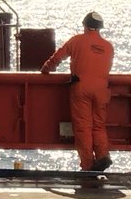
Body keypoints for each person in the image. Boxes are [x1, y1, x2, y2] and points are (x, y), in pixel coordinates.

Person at [41, 11, 114, 172]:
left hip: (81, 88)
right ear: (100, 28)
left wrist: (46, 68)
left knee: (83, 127)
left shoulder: (77, 41)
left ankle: (88, 165)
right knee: (99, 125)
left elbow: (58, 57)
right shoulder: (108, 46)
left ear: (85, 25)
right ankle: (103, 156)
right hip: (102, 90)